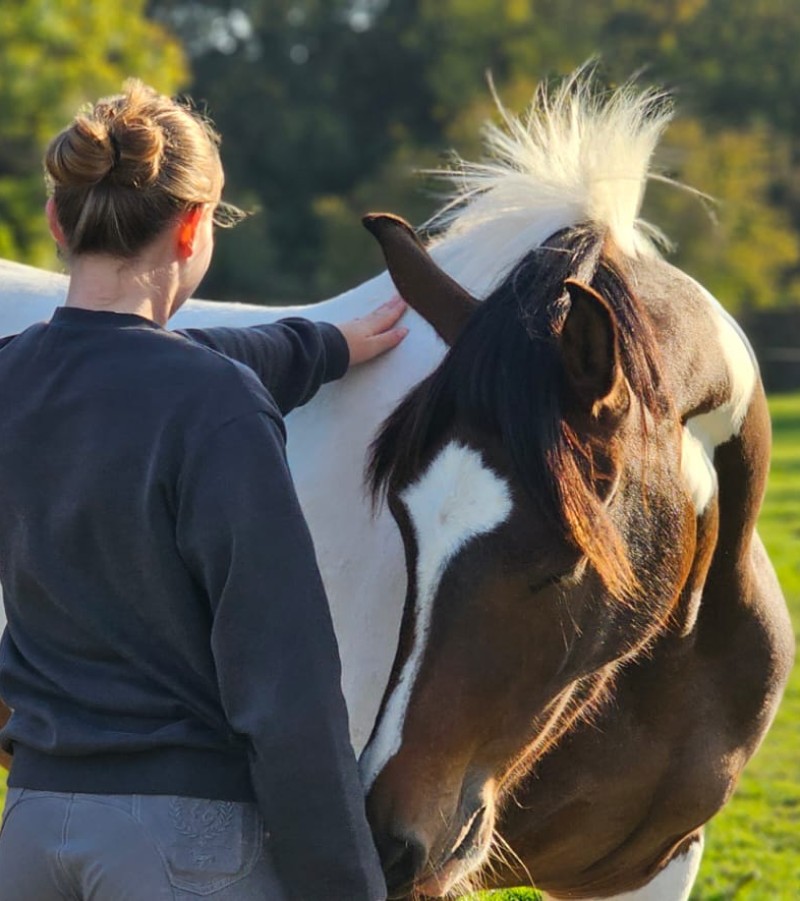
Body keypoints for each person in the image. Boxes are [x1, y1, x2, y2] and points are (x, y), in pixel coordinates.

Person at [0, 80, 407, 900]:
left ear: (57, 221)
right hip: (186, 848)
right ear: (192, 228)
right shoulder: (212, 405)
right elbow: (284, 682)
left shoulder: (12, 377)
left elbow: (130, 369)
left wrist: (320, 345)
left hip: (33, 832)